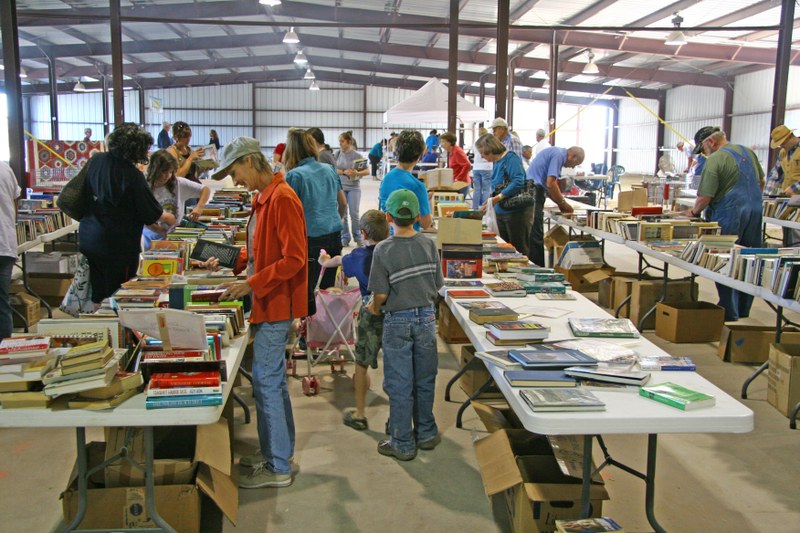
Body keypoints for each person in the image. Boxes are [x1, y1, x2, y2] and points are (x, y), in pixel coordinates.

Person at [214, 137, 307, 489]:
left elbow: (294, 259)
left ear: (251, 162)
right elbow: (260, 250)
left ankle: (278, 466)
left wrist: (252, 282)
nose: (235, 180)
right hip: (267, 301)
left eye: (235, 171)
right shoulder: (264, 197)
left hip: (276, 304)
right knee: (272, 383)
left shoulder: (282, 198)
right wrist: (233, 261)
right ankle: (278, 452)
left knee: (267, 383)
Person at [367, 189, 444, 461]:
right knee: (425, 378)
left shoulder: (383, 249)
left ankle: (401, 441)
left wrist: (374, 308)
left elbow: (381, 295)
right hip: (426, 319)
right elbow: (437, 285)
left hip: (397, 321)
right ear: (416, 216)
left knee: (400, 384)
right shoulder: (428, 244)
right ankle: (425, 433)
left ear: (388, 217)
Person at [79, 123, 174, 303]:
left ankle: (103, 320)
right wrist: (167, 217)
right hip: (117, 245)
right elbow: (149, 212)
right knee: (121, 295)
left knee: (100, 294)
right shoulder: (130, 174)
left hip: (90, 236)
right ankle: (118, 327)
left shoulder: (97, 160)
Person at [679, 126, 764, 322]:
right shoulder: (747, 152)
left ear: (711, 142)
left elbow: (705, 196)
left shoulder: (715, 159)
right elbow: (761, 182)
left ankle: (729, 310)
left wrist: (693, 212)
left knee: (725, 260)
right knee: (749, 259)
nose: (704, 154)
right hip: (755, 212)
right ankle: (744, 308)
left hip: (728, 213)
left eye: (703, 150)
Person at [318, 210, 390, 431]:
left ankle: (360, 413)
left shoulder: (358, 256)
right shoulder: (392, 251)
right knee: (398, 365)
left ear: (363, 233)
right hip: (397, 313)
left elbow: (340, 260)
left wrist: (325, 261)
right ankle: (398, 417)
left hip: (372, 313)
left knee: (361, 363)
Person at [283, 128, 347, 314]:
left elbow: (289, 215)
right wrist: (336, 220)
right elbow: (342, 203)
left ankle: (308, 333)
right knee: (327, 288)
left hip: (310, 241)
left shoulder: (295, 176)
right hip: (334, 235)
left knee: (308, 289)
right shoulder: (329, 169)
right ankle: (326, 328)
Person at [142, 150, 212, 250]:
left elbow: (205, 189)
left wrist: (199, 207)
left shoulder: (178, 183)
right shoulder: (144, 185)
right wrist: (157, 229)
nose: (167, 176)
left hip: (176, 234)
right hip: (151, 236)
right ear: (155, 169)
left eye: (170, 172)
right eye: (164, 172)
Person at [526, 146, 583, 267]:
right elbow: (550, 183)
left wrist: (560, 203)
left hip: (532, 189)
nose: (572, 167)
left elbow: (548, 188)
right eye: (575, 164)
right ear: (572, 156)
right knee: (536, 234)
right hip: (533, 191)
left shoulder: (555, 152)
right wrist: (563, 203)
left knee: (533, 233)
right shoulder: (559, 155)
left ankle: (535, 267)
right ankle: (538, 270)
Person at [476, 133, 531, 256]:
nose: (482, 156)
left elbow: (518, 181)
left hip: (515, 212)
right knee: (502, 247)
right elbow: (497, 184)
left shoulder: (511, 159)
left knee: (517, 248)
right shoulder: (496, 162)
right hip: (501, 211)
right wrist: (491, 200)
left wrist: (499, 197)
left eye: (483, 153)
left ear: (490, 149)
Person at [378, 130, 433, 232]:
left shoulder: (386, 178)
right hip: (409, 242)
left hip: (387, 235)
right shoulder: (418, 186)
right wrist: (427, 201)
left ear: (397, 152)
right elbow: (425, 223)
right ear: (419, 156)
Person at [766, 125, 800, 245]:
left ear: (790, 137)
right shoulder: (783, 153)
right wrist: (768, 195)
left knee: (797, 230)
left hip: (798, 198)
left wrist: (795, 187)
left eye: (782, 143)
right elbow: (776, 174)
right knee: (787, 229)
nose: (781, 146)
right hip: (789, 200)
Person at [335, 131, 368, 247]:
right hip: (341, 188)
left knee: (354, 214)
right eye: (339, 141)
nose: (340, 144)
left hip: (354, 187)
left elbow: (367, 171)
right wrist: (344, 172)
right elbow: (333, 169)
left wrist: (357, 172)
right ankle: (345, 237)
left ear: (349, 142)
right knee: (342, 213)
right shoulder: (337, 154)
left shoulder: (357, 156)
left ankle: (358, 236)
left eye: (342, 141)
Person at [0, 162, 20, 339]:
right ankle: (5, 353)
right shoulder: (4, 168)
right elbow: (15, 202)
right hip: (6, 244)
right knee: (2, 303)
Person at [440, 132, 471, 198]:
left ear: (450, 142)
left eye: (443, 142)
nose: (442, 145)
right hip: (457, 182)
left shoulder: (457, 151)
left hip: (462, 183)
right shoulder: (452, 151)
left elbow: (467, 165)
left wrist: (458, 179)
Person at [471, 127, 493, 209]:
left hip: (476, 167)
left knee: (477, 190)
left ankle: (475, 208)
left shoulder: (476, 143)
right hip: (486, 167)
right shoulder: (488, 143)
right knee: (486, 190)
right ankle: (485, 208)